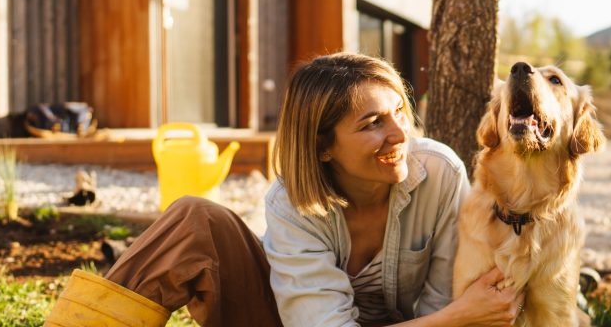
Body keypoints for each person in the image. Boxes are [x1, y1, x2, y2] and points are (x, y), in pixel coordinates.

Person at [45, 53, 524, 327]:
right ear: (323, 148)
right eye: (372, 123)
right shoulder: (292, 201)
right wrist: (460, 318)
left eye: (399, 111)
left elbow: (443, 298)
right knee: (194, 218)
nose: (400, 134)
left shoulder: (439, 174)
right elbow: (453, 316)